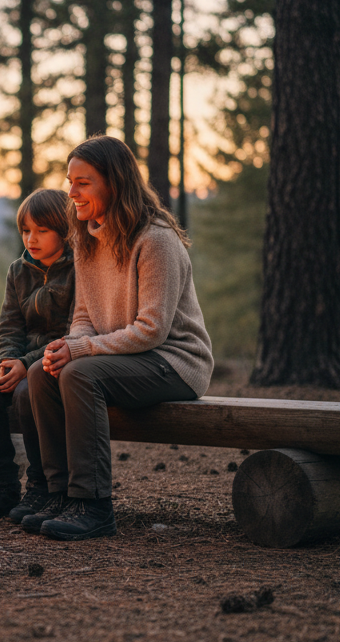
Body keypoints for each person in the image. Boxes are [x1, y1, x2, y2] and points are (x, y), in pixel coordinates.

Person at [22, 135, 213, 541]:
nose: (71, 192)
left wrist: (81, 350)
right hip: (123, 359)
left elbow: (151, 329)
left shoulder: (156, 240)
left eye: (83, 182)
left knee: (79, 375)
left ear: (114, 182)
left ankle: (93, 505)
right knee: (42, 371)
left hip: (174, 362)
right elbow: (85, 316)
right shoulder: (87, 239)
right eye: (70, 181)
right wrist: (68, 346)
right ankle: (59, 495)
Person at [0, 189, 76, 523]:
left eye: (41, 231)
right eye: (26, 231)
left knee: (28, 394)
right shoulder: (18, 271)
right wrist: (8, 362)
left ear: (63, 229)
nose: (31, 238)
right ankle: (1, 486)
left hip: (60, 360)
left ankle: (40, 485)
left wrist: (28, 365)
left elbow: (75, 330)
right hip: (22, 362)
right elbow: (9, 325)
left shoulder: (79, 270)